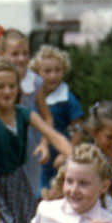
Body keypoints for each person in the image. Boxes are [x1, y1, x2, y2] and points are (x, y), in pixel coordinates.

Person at [0, 56, 71, 223]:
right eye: (0, 86)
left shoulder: (22, 113)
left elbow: (54, 136)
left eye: (12, 86)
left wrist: (73, 157)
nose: (7, 91)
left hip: (16, 180)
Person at [31, 44, 84, 190]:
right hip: (35, 153)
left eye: (57, 71)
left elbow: (78, 129)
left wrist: (66, 152)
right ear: (37, 72)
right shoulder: (32, 95)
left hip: (58, 156)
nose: (53, 75)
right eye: (47, 71)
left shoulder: (67, 98)